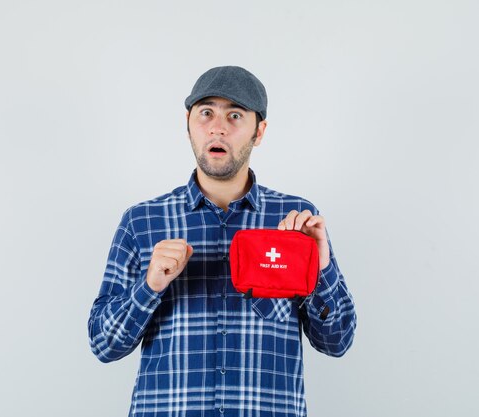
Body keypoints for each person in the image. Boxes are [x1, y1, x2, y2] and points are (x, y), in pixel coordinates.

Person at [88, 66, 357, 417]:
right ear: (188, 124)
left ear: (258, 132)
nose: (218, 126)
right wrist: (150, 285)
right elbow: (103, 344)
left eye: (235, 115)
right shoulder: (141, 222)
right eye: (206, 113)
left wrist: (318, 267)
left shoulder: (296, 221)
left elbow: (337, 341)